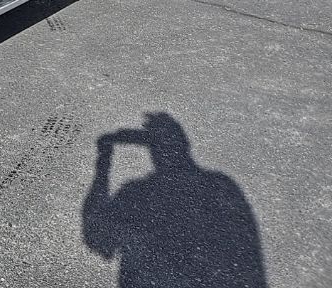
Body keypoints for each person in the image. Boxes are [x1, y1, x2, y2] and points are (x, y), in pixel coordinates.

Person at [82, 112, 267, 288]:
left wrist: (104, 162)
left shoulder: (136, 190)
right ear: (185, 144)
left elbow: (97, 240)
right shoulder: (223, 184)